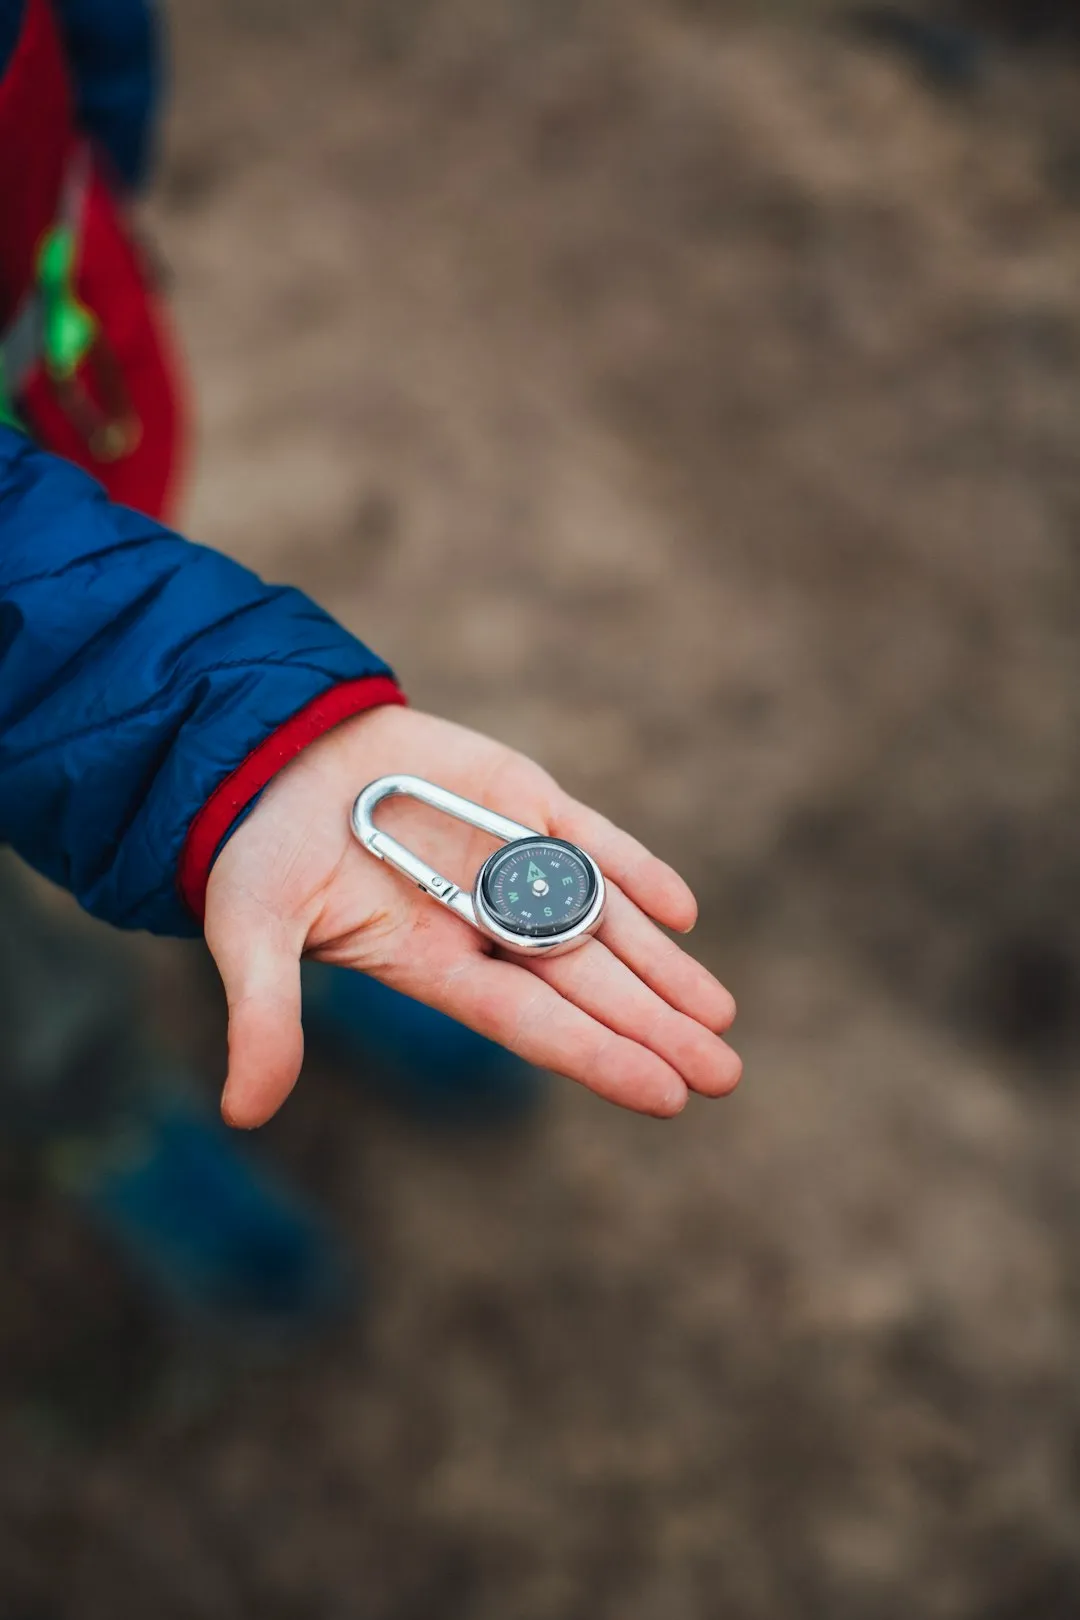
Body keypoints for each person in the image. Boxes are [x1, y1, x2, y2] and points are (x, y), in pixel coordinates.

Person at [0, 0, 741, 1330]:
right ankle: (97, 1109)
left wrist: (86, 171)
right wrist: (205, 740)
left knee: (173, 674)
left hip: (47, 339)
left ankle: (305, 941)